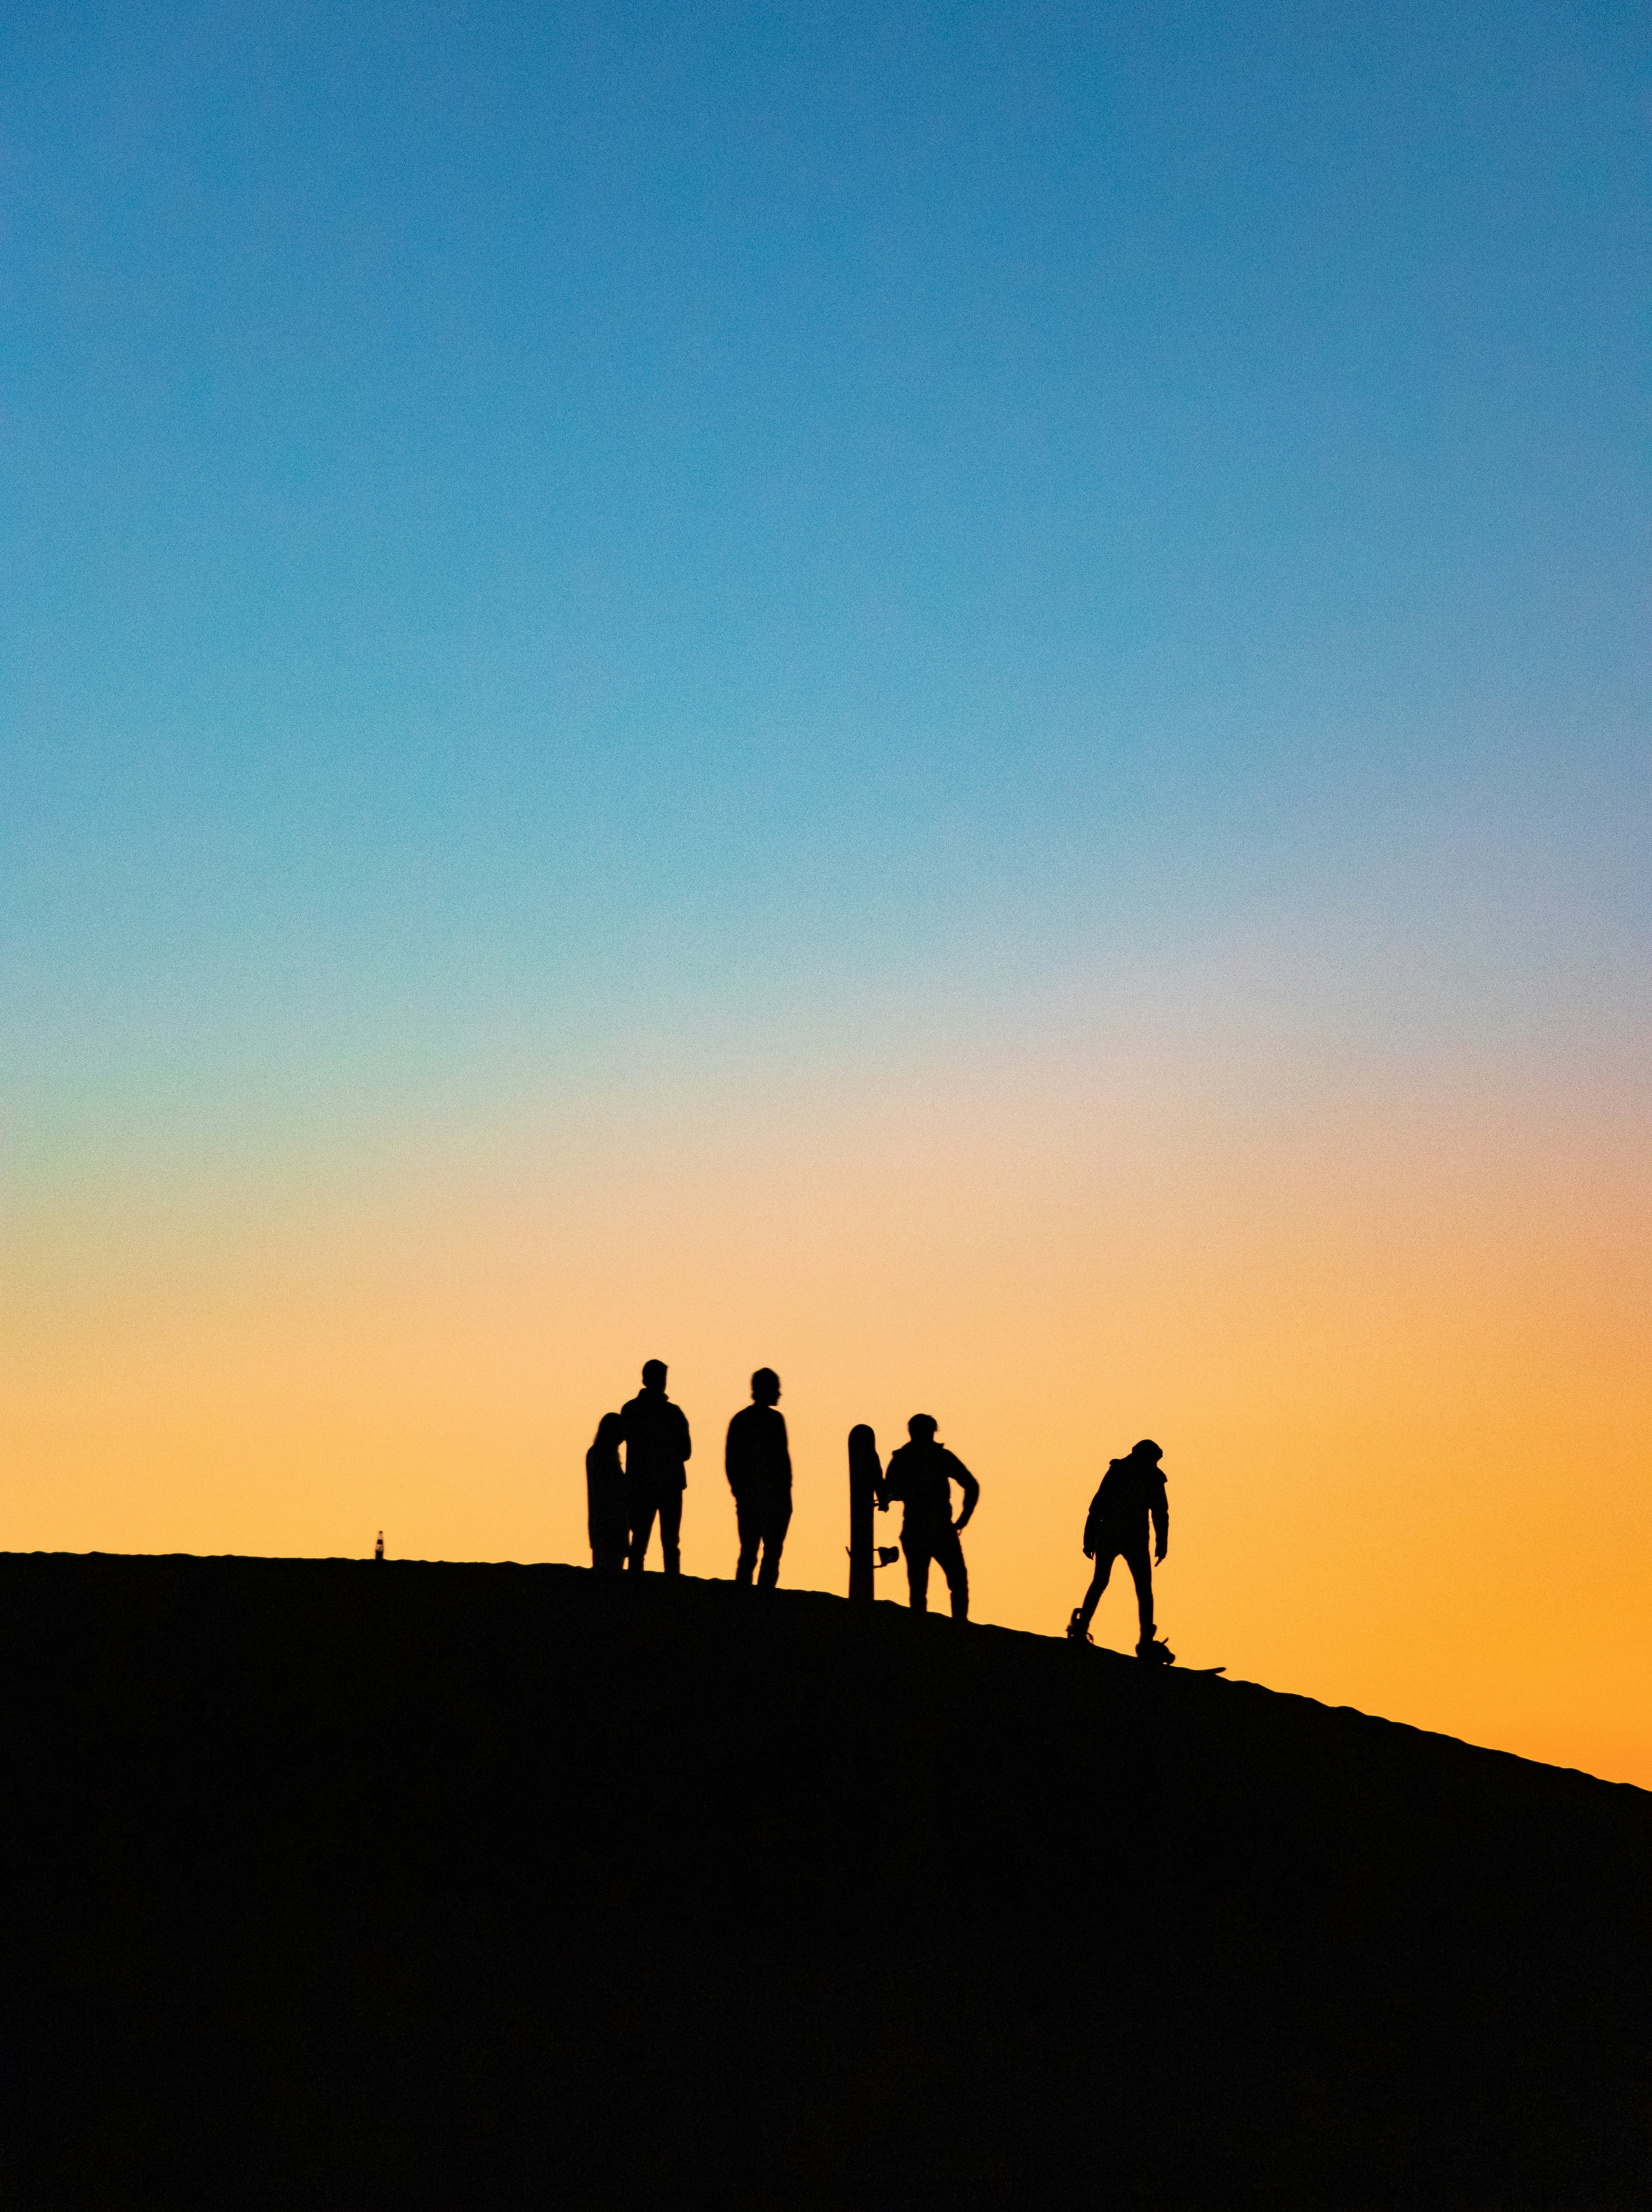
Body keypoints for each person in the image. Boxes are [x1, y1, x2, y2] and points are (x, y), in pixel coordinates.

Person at [1067, 1438, 1170, 1660]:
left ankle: (1142, 1641)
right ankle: (1084, 1629)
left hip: (1124, 1536)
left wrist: (1162, 1543)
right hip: (1120, 1536)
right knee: (1129, 1587)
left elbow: (1160, 1513)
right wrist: (1089, 1536)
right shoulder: (1129, 1473)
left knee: (1130, 1587)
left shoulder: (1144, 1475)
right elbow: (1099, 1504)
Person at [880, 1414, 979, 1619]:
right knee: (955, 1583)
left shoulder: (903, 1458)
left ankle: (926, 1630)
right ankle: (958, 1629)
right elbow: (972, 1485)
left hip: (920, 1531)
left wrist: (890, 1496)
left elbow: (889, 1491)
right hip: (937, 1530)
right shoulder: (938, 1457)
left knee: (920, 1588)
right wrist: (962, 1521)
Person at [621, 1360, 692, 1574]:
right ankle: (670, 1586)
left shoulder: (631, 1410)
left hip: (646, 1484)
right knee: (665, 1542)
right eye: (661, 1378)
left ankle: (637, 1586)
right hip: (664, 1485)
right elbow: (686, 1451)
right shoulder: (673, 1413)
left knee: (643, 1541)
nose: (662, 1383)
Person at [724, 1368, 792, 1590]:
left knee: (750, 1554)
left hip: (754, 1499)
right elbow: (782, 1462)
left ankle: (745, 1602)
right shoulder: (774, 1421)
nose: (780, 1393)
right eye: (776, 1388)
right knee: (768, 1555)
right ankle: (762, 1602)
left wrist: (740, 1492)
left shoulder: (741, 1420)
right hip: (769, 1498)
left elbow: (732, 1462)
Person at [585, 1412, 628, 1574]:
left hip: (600, 1524)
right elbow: (612, 1489)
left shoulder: (596, 1453)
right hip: (609, 1523)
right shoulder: (604, 1455)